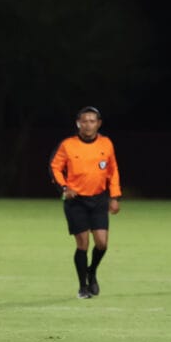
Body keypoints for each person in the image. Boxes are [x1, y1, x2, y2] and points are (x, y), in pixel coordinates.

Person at [49, 106, 122, 299]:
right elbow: (55, 167)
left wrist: (114, 197)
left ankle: (92, 271)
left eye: (92, 121)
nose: (88, 125)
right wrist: (64, 188)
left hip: (98, 199)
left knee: (102, 244)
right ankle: (83, 287)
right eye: (84, 121)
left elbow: (113, 171)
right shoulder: (68, 145)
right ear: (78, 123)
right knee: (83, 244)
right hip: (76, 202)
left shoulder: (106, 144)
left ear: (98, 124)